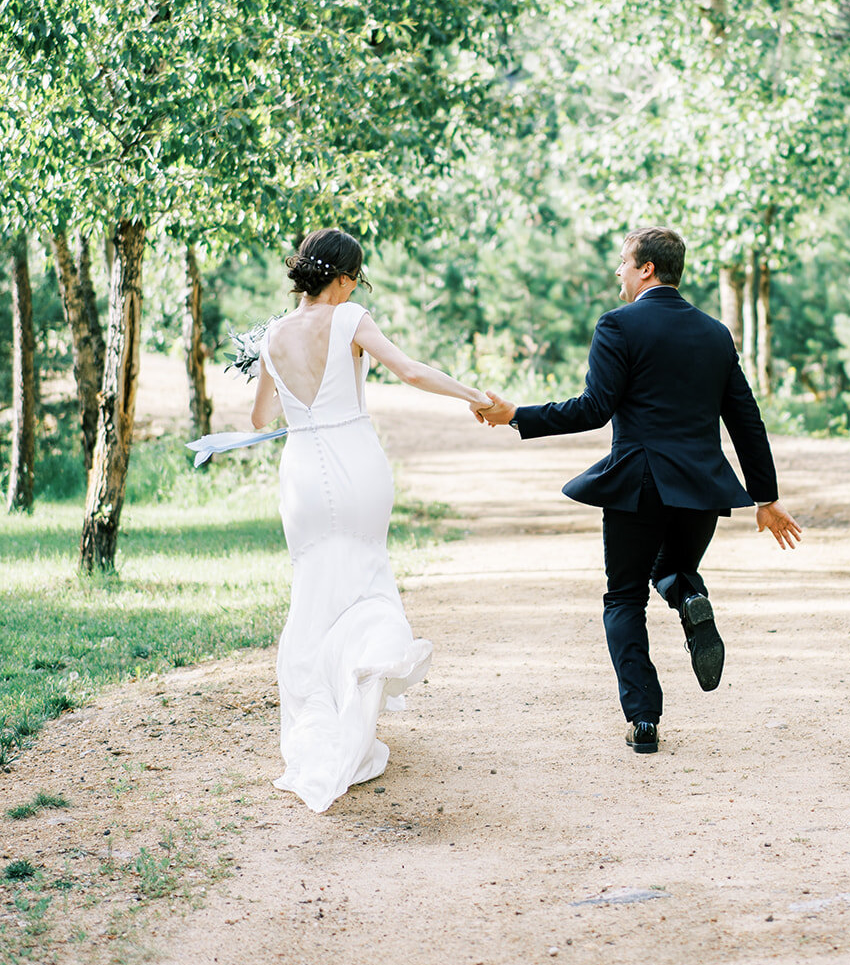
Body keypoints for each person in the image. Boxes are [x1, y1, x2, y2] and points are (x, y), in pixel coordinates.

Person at [473, 226, 801, 755]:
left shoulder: (618, 326)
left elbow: (593, 408)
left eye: (624, 263)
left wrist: (518, 416)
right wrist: (765, 497)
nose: (618, 273)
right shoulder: (716, 333)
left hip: (640, 484)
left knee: (624, 596)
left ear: (647, 268)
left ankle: (643, 719)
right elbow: (746, 418)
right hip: (702, 490)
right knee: (673, 571)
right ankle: (691, 597)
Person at [251, 227, 491, 812]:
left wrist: (286, 386)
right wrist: (473, 395)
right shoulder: (350, 317)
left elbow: (260, 421)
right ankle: (359, 689)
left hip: (303, 472)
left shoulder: (271, 335)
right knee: (364, 577)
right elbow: (408, 371)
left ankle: (317, 722)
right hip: (356, 464)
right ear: (342, 278)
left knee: (312, 591)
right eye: (355, 277)